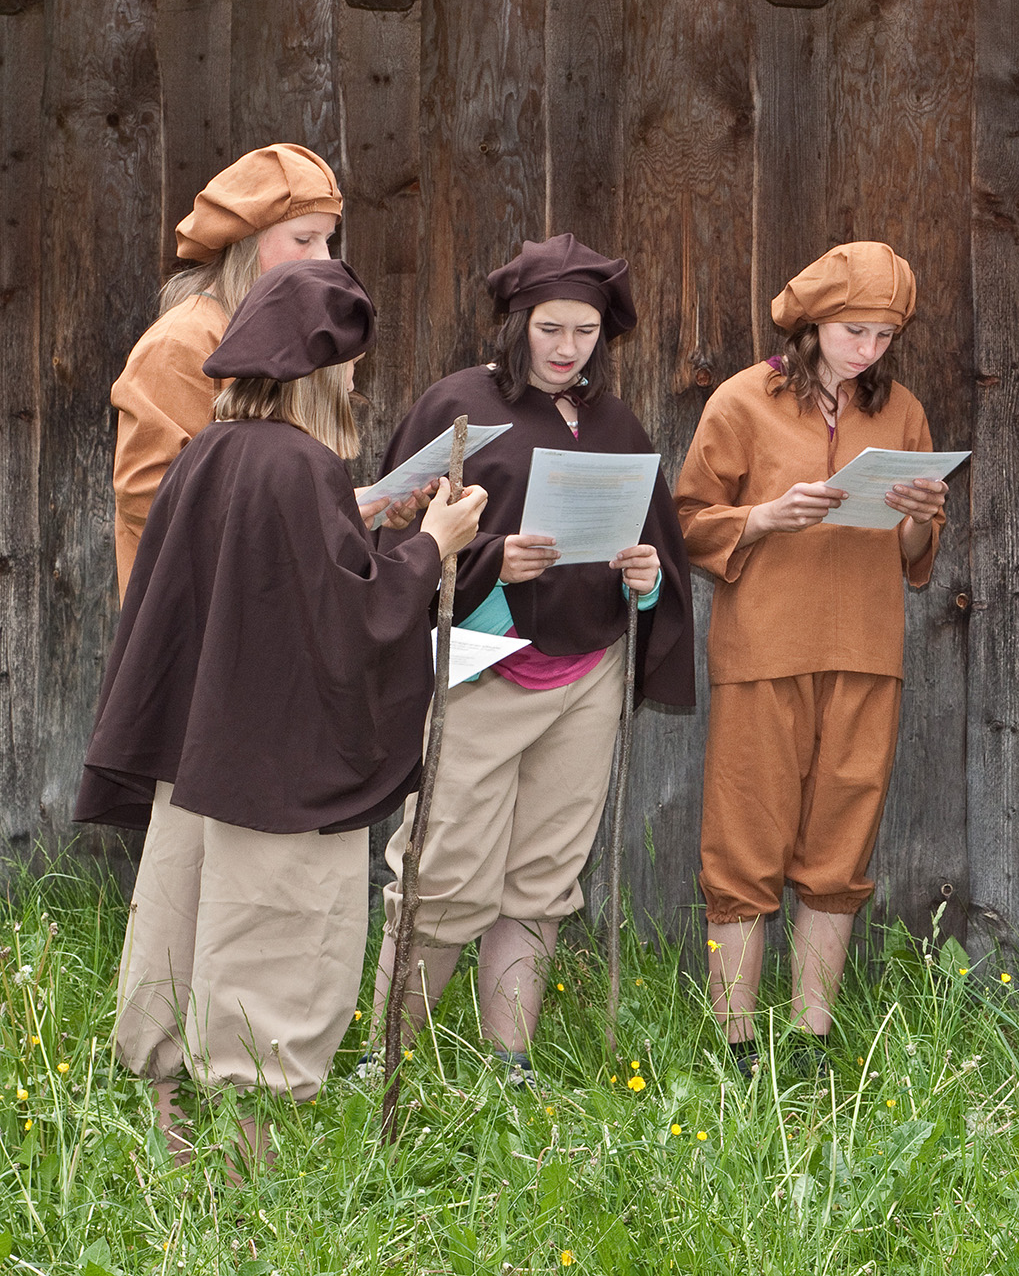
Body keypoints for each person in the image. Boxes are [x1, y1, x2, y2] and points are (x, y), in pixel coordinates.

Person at [76, 260, 487, 1173]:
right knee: (270, 946)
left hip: (203, 758)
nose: (357, 384)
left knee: (182, 936)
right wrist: (433, 546)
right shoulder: (300, 465)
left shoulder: (210, 454)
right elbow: (351, 622)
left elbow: (295, 585)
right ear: (319, 370)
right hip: (278, 772)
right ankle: (244, 1196)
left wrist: (381, 530)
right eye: (350, 369)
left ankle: (175, 1170)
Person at [366, 235, 696, 1078]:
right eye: (551, 326)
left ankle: (507, 1061)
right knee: (442, 869)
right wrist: (491, 563)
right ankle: (390, 1057)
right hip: (483, 666)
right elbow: (391, 542)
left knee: (545, 874)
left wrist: (647, 579)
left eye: (585, 331)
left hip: (587, 677)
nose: (566, 347)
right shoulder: (459, 407)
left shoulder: (620, 425)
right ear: (518, 321)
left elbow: (658, 548)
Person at [673, 241, 948, 1074]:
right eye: (853, 330)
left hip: (867, 648)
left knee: (841, 839)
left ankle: (811, 1035)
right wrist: (762, 517)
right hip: (763, 648)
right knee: (744, 838)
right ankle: (736, 1041)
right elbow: (686, 521)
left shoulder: (900, 409)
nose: (868, 350)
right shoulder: (741, 401)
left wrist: (919, 512)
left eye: (884, 336)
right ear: (813, 321)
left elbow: (915, 551)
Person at [110, 143, 342, 598]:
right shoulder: (182, 341)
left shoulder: (267, 340)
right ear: (246, 239)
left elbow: (270, 483)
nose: (324, 260)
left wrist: (357, 503)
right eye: (304, 239)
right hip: (190, 615)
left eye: (328, 239)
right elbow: (149, 496)